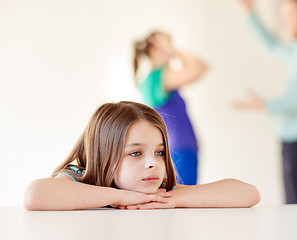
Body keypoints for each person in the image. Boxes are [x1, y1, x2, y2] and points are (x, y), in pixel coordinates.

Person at [23, 101, 260, 210]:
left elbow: (249, 194)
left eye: (159, 152)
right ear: (103, 155)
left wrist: (175, 199)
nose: (152, 164)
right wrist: (122, 197)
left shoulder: (157, 193)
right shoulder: (78, 178)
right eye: (135, 153)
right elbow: (36, 195)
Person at [235, 0, 297, 204]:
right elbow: (272, 47)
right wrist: (250, 13)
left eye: (290, 14)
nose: (286, 22)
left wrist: (268, 105)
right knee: (296, 209)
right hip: (293, 141)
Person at [133, 31, 207, 185]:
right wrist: (173, 49)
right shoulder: (158, 77)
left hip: (181, 151)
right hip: (178, 152)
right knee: (182, 202)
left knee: (182, 200)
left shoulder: (157, 78)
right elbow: (199, 68)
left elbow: (192, 67)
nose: (171, 50)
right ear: (155, 49)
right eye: (166, 44)